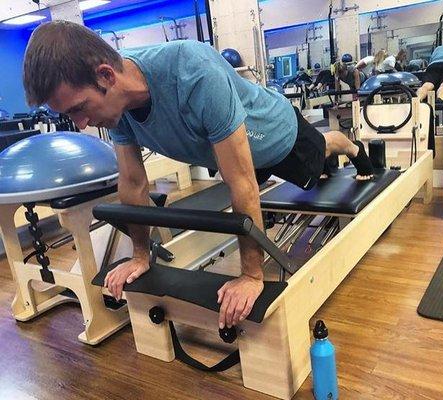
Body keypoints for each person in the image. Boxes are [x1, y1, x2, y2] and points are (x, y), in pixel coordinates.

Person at [23, 21, 375, 330]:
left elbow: (241, 183)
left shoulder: (191, 70)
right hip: (233, 155)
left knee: (322, 152)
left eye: (80, 109)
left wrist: (252, 275)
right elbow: (133, 182)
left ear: (106, 76)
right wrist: (140, 255)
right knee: (269, 170)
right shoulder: (118, 110)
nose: (81, 124)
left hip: (276, 135)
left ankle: (349, 146)